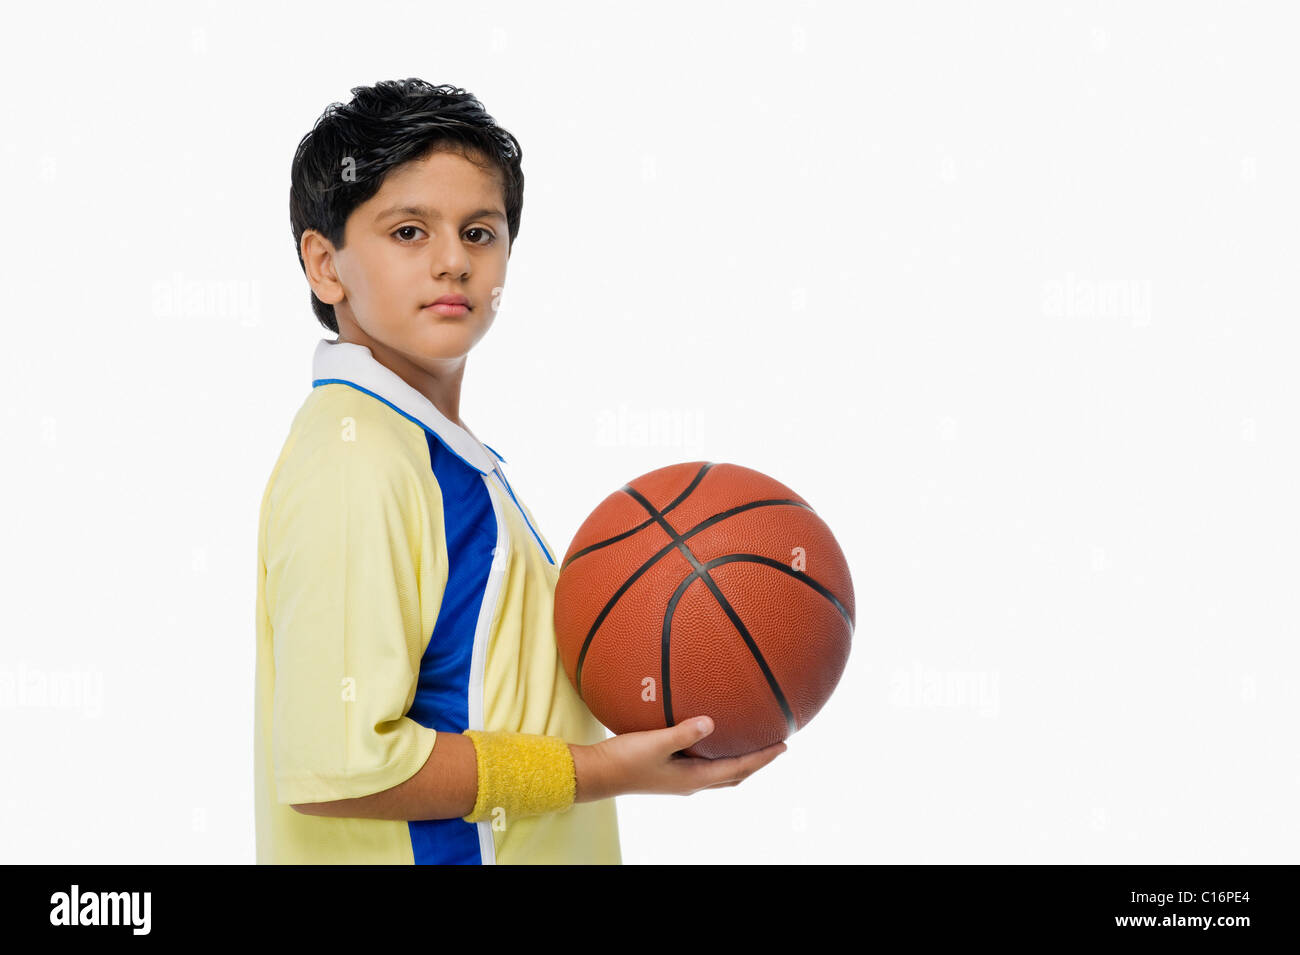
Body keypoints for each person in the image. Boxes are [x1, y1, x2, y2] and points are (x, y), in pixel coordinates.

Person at [255, 78, 786, 864]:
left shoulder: (430, 452)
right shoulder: (357, 457)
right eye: (408, 231)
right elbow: (337, 767)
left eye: (480, 231)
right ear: (325, 265)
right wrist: (606, 769)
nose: (452, 262)